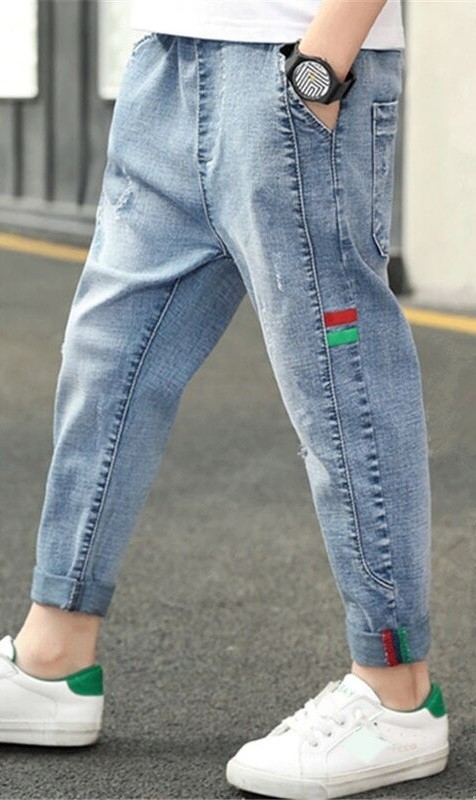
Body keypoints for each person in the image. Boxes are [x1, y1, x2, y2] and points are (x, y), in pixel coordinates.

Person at [0, 0, 449, 797]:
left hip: (295, 65)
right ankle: (52, 657)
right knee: (106, 359)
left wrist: (322, 63)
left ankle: (396, 693)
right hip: (167, 62)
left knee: (340, 381)